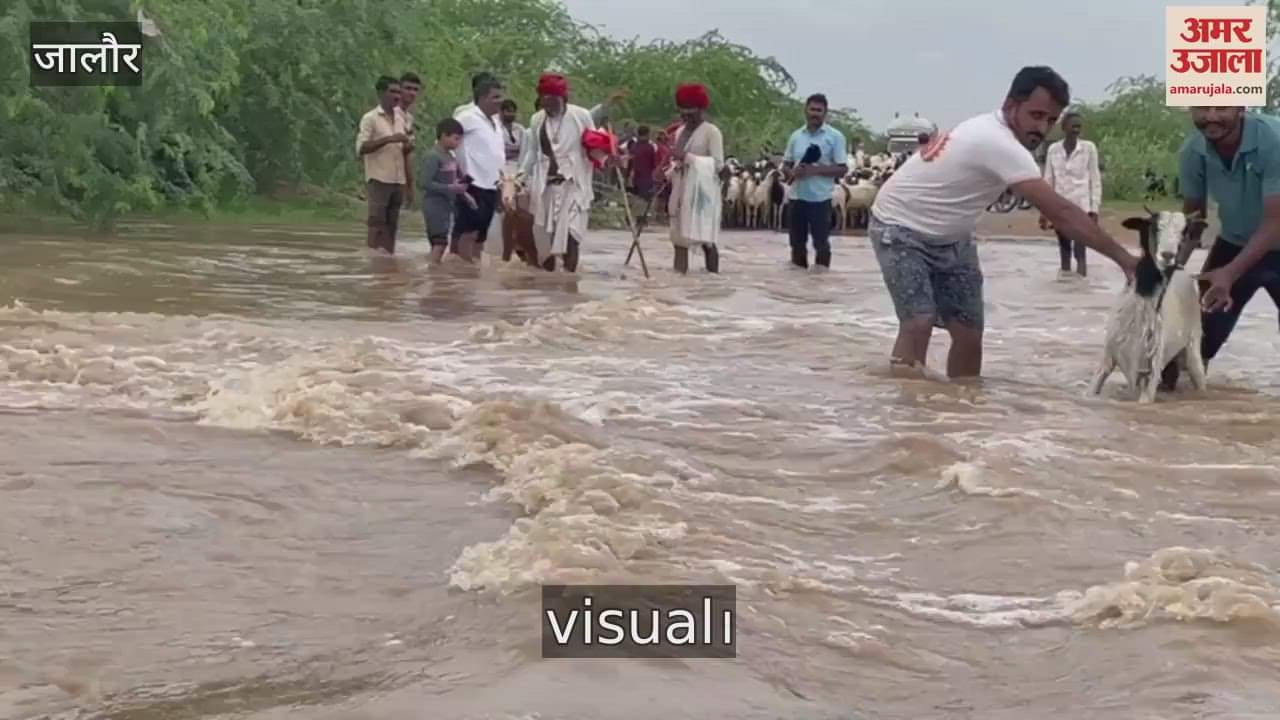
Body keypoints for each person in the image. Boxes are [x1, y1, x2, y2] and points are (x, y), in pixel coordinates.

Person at [868, 65, 1138, 378]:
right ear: (1011, 106)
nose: (1042, 128)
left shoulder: (1001, 138)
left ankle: (962, 412)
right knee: (918, 322)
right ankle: (906, 415)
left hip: (953, 235)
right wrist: (1126, 260)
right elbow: (1062, 213)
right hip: (899, 226)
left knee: (969, 334)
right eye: (1036, 116)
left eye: (1051, 120)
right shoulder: (997, 142)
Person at [1160, 106, 1280, 391]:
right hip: (1234, 242)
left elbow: (1275, 221)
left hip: (1266, 239)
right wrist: (1169, 270)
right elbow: (1194, 221)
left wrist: (1228, 274)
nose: (1211, 117)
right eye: (1202, 108)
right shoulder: (1193, 151)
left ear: (1241, 107)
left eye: (1222, 107)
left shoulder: (1273, 140)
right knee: (1190, 342)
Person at [519, 72, 608, 273]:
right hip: (547, 187)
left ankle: (569, 282)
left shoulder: (581, 115)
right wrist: (520, 176)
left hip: (574, 186)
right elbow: (533, 152)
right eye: (545, 101)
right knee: (548, 244)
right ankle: (552, 286)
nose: (549, 105)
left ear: (563, 98)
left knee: (571, 236)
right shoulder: (536, 120)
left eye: (553, 101)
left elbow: (594, 145)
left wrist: (606, 148)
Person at [781, 93, 848, 270]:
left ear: (825, 113)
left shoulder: (835, 137)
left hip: (821, 199)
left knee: (821, 245)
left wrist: (814, 170)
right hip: (796, 197)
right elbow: (785, 164)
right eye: (812, 109)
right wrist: (792, 172)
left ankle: (822, 283)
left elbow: (842, 168)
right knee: (797, 245)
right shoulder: (796, 136)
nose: (815, 114)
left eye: (819, 110)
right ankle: (799, 287)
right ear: (805, 111)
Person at [665, 83, 725, 274]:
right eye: (683, 114)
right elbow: (676, 160)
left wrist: (688, 158)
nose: (686, 119)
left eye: (691, 114)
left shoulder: (712, 132)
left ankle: (713, 278)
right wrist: (665, 173)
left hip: (703, 194)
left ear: (701, 110)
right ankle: (679, 279)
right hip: (680, 189)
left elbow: (717, 165)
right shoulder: (679, 132)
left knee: (706, 240)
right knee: (678, 239)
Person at [1039, 111, 1102, 278]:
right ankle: (1066, 284)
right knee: (1064, 248)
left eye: (1079, 127)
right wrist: (1044, 211)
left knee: (1080, 250)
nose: (1076, 130)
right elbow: (1048, 179)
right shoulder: (1053, 149)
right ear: (1064, 128)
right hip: (1059, 206)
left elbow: (1095, 180)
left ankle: (1081, 282)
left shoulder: (1089, 148)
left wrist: (1094, 210)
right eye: (1073, 126)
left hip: (1082, 206)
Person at [452, 76, 507, 262]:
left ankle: (473, 273)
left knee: (481, 234)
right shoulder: (467, 117)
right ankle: (460, 272)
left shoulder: (496, 122)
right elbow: (447, 139)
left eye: (501, 97)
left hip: (492, 185)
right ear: (483, 98)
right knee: (469, 231)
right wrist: (455, 174)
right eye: (495, 97)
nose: (500, 102)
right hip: (473, 183)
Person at [355, 75, 411, 254]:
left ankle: (387, 263)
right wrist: (389, 139)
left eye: (398, 92)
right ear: (380, 93)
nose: (397, 96)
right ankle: (372, 259)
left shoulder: (402, 119)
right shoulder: (370, 118)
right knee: (376, 223)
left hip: (398, 179)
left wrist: (407, 147)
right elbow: (361, 147)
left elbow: (403, 149)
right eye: (392, 91)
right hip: (379, 178)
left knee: (392, 225)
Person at [420, 117, 472, 266]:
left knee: (439, 242)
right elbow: (425, 183)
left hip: (447, 205)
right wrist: (450, 188)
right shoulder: (432, 156)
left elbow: (457, 180)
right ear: (444, 136)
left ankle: (434, 271)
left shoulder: (450, 157)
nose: (458, 143)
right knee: (440, 242)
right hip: (434, 205)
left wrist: (466, 195)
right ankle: (432, 274)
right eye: (456, 139)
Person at [398, 71, 422, 210]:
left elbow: (407, 152)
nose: (412, 93)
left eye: (415, 89)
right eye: (408, 88)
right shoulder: (392, 114)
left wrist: (410, 184)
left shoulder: (408, 117)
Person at [627, 125, 658, 201]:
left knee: (637, 200)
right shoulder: (650, 147)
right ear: (647, 134)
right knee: (645, 201)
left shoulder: (634, 146)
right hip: (646, 178)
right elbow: (653, 164)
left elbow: (629, 163)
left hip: (635, 178)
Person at [499, 99, 525, 174]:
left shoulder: (520, 129)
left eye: (513, 111)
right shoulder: (497, 128)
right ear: (502, 112)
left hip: (517, 165)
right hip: (502, 165)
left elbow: (524, 149)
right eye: (509, 111)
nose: (512, 114)